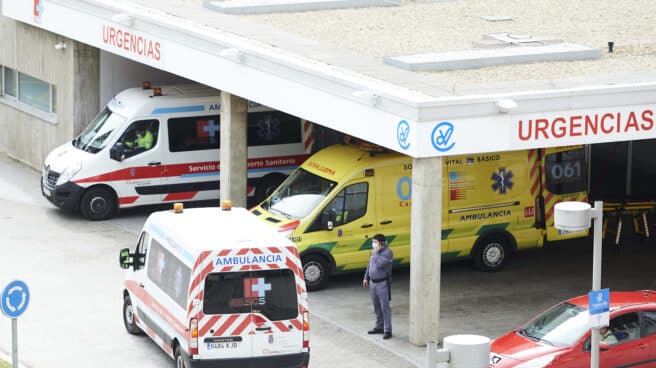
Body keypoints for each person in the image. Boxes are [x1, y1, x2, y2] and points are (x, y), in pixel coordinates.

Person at [362, 233, 393, 339]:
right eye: (373, 242)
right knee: (376, 306)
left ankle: (388, 330)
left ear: (382, 244)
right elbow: (369, 265)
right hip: (373, 283)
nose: (373, 244)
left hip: (382, 283)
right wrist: (366, 277)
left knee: (385, 307)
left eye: (375, 242)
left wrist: (376, 253)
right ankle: (379, 326)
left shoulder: (388, 253)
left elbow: (380, 265)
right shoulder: (375, 253)